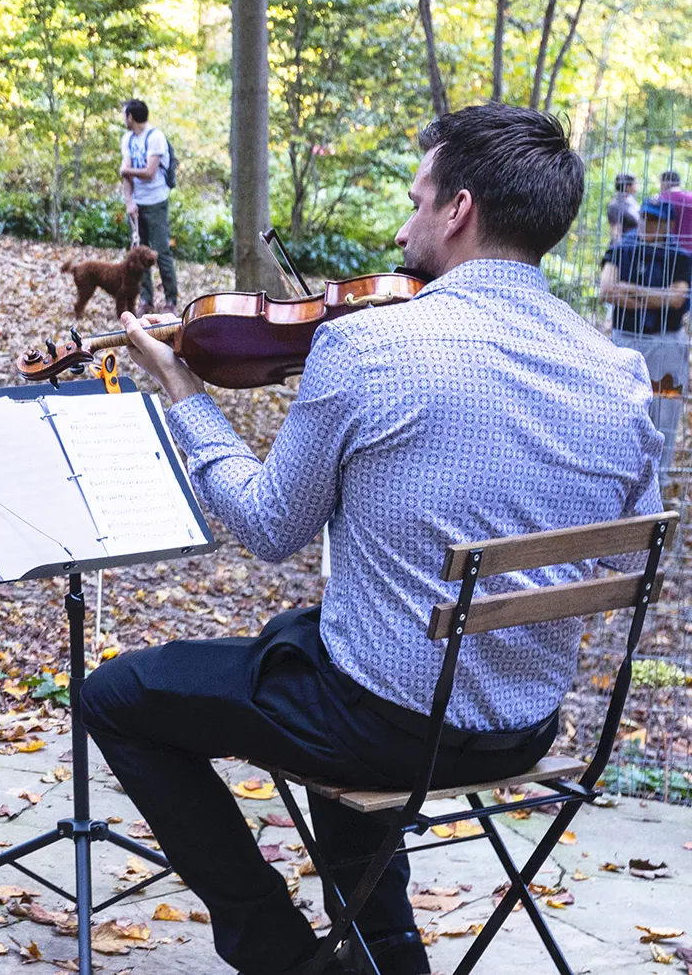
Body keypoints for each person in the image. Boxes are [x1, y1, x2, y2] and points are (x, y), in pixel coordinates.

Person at [102, 103, 663, 975]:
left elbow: (267, 527)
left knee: (117, 696)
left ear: (459, 209)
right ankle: (384, 945)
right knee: (326, 650)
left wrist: (184, 395)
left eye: (416, 199)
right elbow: (630, 561)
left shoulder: (367, 347)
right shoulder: (622, 378)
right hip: (525, 728)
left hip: (384, 728)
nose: (404, 226)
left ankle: (283, 955)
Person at [599, 196, 691, 454]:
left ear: (667, 225)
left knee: (664, 414)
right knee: (619, 412)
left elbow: (677, 299)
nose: (647, 224)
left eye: (655, 219)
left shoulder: (680, 257)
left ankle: (658, 484)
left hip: (666, 347)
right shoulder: (620, 248)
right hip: (625, 342)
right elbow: (606, 291)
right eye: (645, 217)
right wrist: (655, 297)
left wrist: (629, 290)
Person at [119, 97, 176, 312]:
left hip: (156, 202)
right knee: (138, 253)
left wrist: (126, 171)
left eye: (124, 114)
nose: (124, 118)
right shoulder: (127, 139)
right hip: (137, 204)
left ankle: (170, 300)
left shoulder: (156, 138)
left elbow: (149, 173)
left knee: (161, 251)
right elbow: (127, 174)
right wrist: (129, 202)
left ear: (130, 117)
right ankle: (146, 299)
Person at [606, 172, 640, 244]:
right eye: (635, 183)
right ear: (627, 186)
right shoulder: (615, 205)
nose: (637, 186)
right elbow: (615, 232)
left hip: (635, 244)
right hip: (624, 246)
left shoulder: (632, 200)